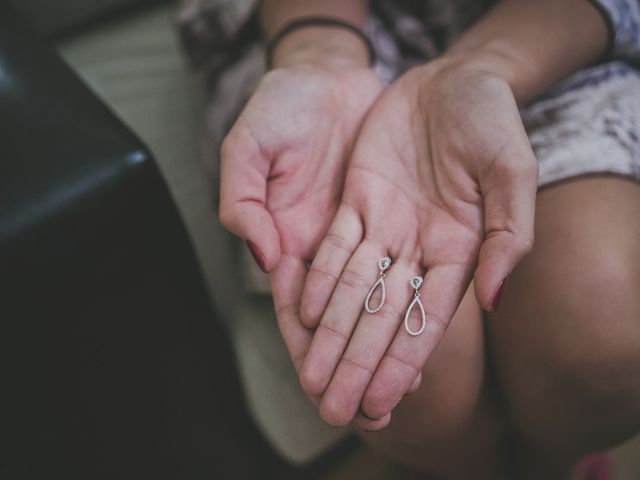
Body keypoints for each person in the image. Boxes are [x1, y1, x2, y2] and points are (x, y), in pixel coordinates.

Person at [180, 0, 640, 478]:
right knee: (409, 388)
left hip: (555, 34)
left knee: (600, 339)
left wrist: (484, 63)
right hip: (326, 34)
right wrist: (319, 49)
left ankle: (550, 467)